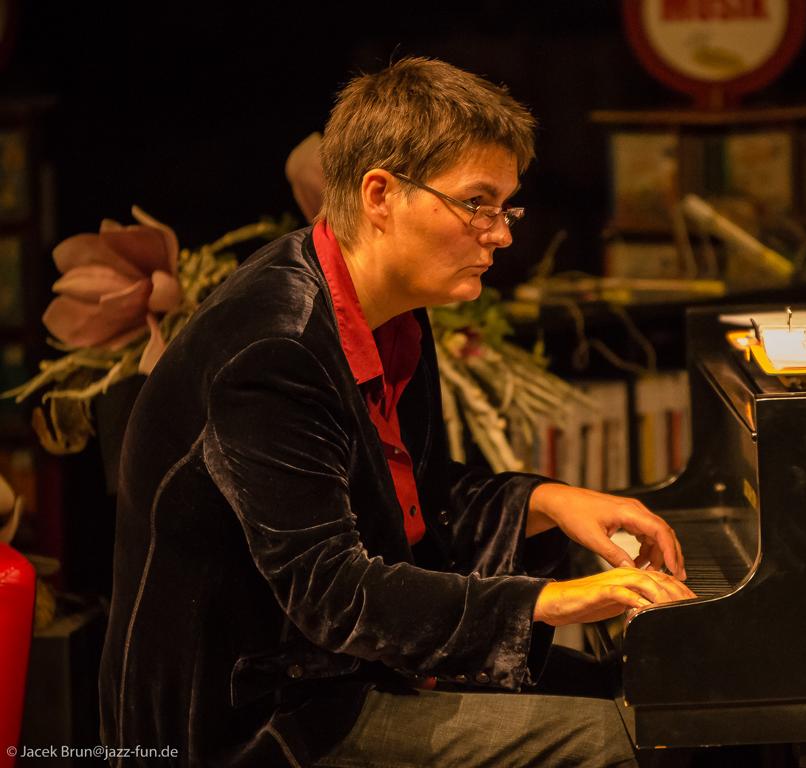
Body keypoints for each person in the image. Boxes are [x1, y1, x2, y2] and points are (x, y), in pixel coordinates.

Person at [98, 57, 695, 768]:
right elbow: (332, 591)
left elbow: (418, 504)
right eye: (478, 203)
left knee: (669, 708)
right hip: (251, 720)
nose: (501, 233)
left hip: (332, 672)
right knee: (621, 744)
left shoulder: (391, 309)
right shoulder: (274, 346)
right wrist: (551, 599)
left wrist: (552, 501)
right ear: (380, 194)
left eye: (506, 206)